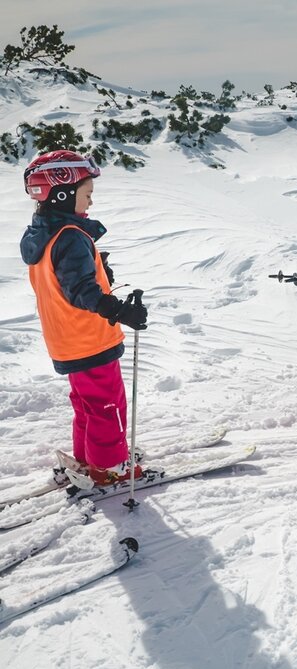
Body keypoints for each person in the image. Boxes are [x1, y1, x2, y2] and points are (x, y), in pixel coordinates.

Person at [20, 149, 148, 485]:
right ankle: (109, 467)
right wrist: (119, 310)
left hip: (67, 342)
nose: (89, 203)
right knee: (108, 407)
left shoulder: (45, 235)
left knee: (88, 405)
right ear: (62, 194)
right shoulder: (71, 238)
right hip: (90, 340)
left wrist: (97, 269)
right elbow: (80, 291)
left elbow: (64, 283)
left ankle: (89, 457)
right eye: (86, 195)